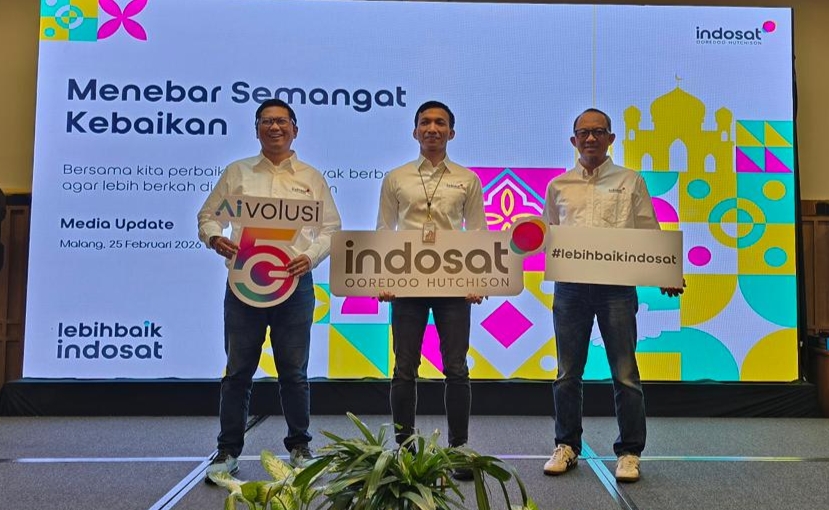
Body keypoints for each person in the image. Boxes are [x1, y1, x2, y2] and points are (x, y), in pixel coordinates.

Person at [197, 98, 341, 481]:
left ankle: (300, 447)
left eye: (281, 121)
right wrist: (214, 238)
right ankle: (227, 451)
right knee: (238, 372)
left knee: (294, 372)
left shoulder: (311, 177)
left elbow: (330, 228)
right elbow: (208, 216)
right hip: (244, 284)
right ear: (256, 129)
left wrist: (310, 257)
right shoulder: (237, 172)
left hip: (294, 283)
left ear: (295, 128)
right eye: (266, 121)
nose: (274, 127)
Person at [541, 108, 684, 483]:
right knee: (567, 374)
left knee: (625, 374)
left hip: (616, 289)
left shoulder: (630, 180)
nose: (590, 138)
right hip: (570, 287)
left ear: (611, 138)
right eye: (583, 133)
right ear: (573, 140)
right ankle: (566, 445)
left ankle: (630, 452)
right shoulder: (558, 186)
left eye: (598, 131)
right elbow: (549, 235)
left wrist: (666, 271)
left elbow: (648, 229)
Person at [376, 100, 486, 481]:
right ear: (415, 131)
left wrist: (477, 280)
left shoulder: (468, 179)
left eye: (440, 123)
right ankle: (404, 449)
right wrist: (383, 278)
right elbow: (384, 231)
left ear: (451, 132)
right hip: (407, 282)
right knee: (404, 367)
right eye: (425, 122)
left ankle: (459, 448)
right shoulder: (396, 178)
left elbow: (477, 233)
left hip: (453, 284)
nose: (432, 128)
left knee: (456, 367)